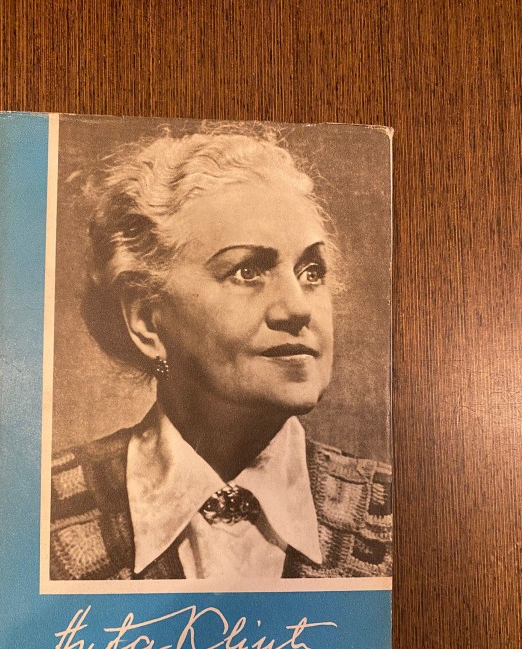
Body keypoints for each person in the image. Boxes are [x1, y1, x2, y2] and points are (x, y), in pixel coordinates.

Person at [50, 129, 392, 581]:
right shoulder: (38, 511)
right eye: (247, 271)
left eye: (311, 272)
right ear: (147, 320)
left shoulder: (397, 514)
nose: (298, 309)